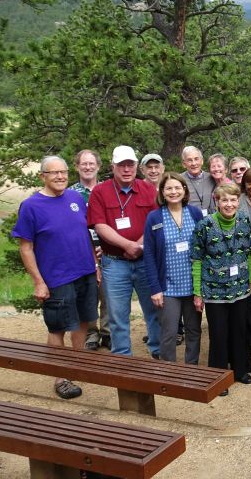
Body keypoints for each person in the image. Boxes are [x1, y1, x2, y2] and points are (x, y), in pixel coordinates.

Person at [12, 156, 98, 400]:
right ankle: (61, 376)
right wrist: (38, 282)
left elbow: (85, 233)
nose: (60, 177)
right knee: (58, 327)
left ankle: (78, 365)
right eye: (54, 173)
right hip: (56, 278)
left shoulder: (74, 198)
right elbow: (26, 247)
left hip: (85, 271)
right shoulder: (31, 206)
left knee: (83, 321)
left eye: (63, 172)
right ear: (43, 176)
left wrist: (95, 264)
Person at [87, 145, 160, 357]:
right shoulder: (100, 192)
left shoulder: (148, 190)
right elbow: (99, 225)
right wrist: (127, 246)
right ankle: (122, 357)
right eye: (121, 165)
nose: (126, 169)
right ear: (113, 166)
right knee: (118, 315)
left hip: (146, 261)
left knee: (154, 310)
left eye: (130, 164)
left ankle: (157, 350)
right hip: (114, 262)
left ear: (137, 166)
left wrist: (137, 245)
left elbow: (155, 222)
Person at [191, 182, 251, 389]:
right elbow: (197, 259)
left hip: (240, 288)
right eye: (224, 200)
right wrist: (197, 292)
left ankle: (240, 370)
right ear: (216, 202)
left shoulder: (245, 221)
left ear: (238, 201)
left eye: (233, 200)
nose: (229, 204)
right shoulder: (205, 225)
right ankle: (218, 378)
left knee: (239, 331)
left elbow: (248, 253)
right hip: (214, 291)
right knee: (219, 334)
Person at [142, 172, 204, 364]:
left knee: (194, 329)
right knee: (169, 331)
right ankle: (169, 370)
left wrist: (201, 286)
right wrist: (155, 288)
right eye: (168, 188)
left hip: (192, 284)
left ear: (184, 189)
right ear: (162, 191)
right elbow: (149, 255)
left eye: (178, 187)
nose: (173, 191)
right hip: (167, 286)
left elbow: (203, 248)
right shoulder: (154, 217)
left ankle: (191, 367)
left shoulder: (195, 213)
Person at [71, 149, 108, 351]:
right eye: (83, 164)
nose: (87, 167)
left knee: (109, 293)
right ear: (77, 166)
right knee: (88, 294)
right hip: (82, 250)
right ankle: (91, 332)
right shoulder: (69, 193)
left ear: (98, 166)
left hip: (107, 247)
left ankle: (108, 332)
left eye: (91, 164)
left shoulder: (106, 190)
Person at [182, 146, 215, 215]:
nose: (194, 163)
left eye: (196, 159)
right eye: (189, 160)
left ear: (202, 161)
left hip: (211, 219)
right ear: (184, 164)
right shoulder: (179, 180)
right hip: (189, 220)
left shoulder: (212, 177)